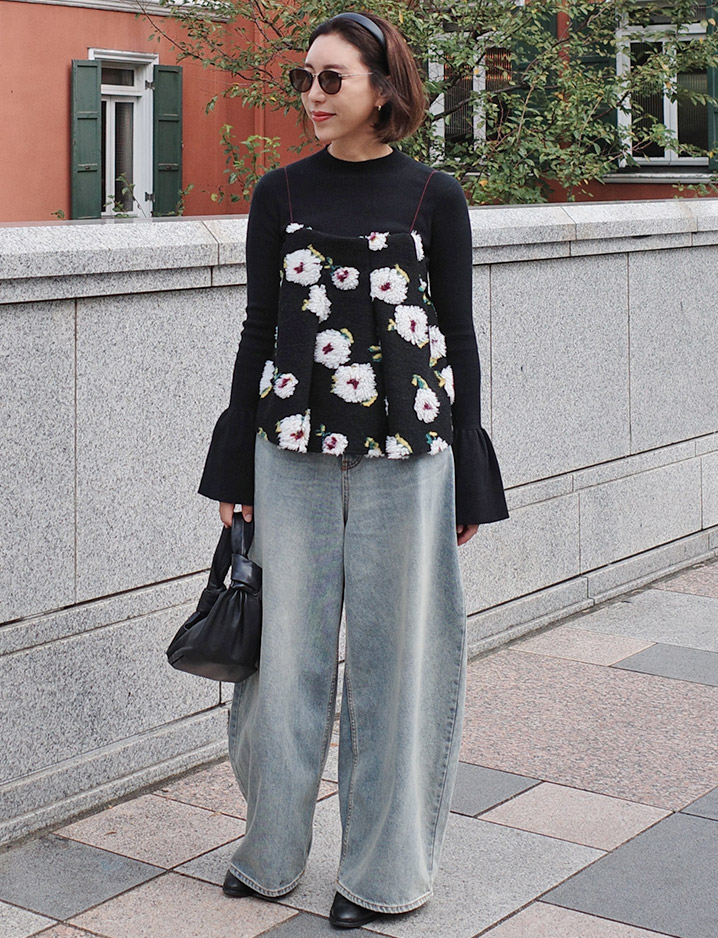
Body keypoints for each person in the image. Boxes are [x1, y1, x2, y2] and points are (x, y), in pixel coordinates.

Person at [198, 10, 509, 930]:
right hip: (287, 456)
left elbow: (458, 335)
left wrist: (470, 471)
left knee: (398, 668)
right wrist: (233, 468)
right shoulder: (280, 192)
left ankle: (382, 876)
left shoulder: (434, 196)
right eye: (304, 78)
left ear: (384, 86)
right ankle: (269, 854)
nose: (312, 95)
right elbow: (258, 330)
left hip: (407, 463)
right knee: (280, 666)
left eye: (331, 78)